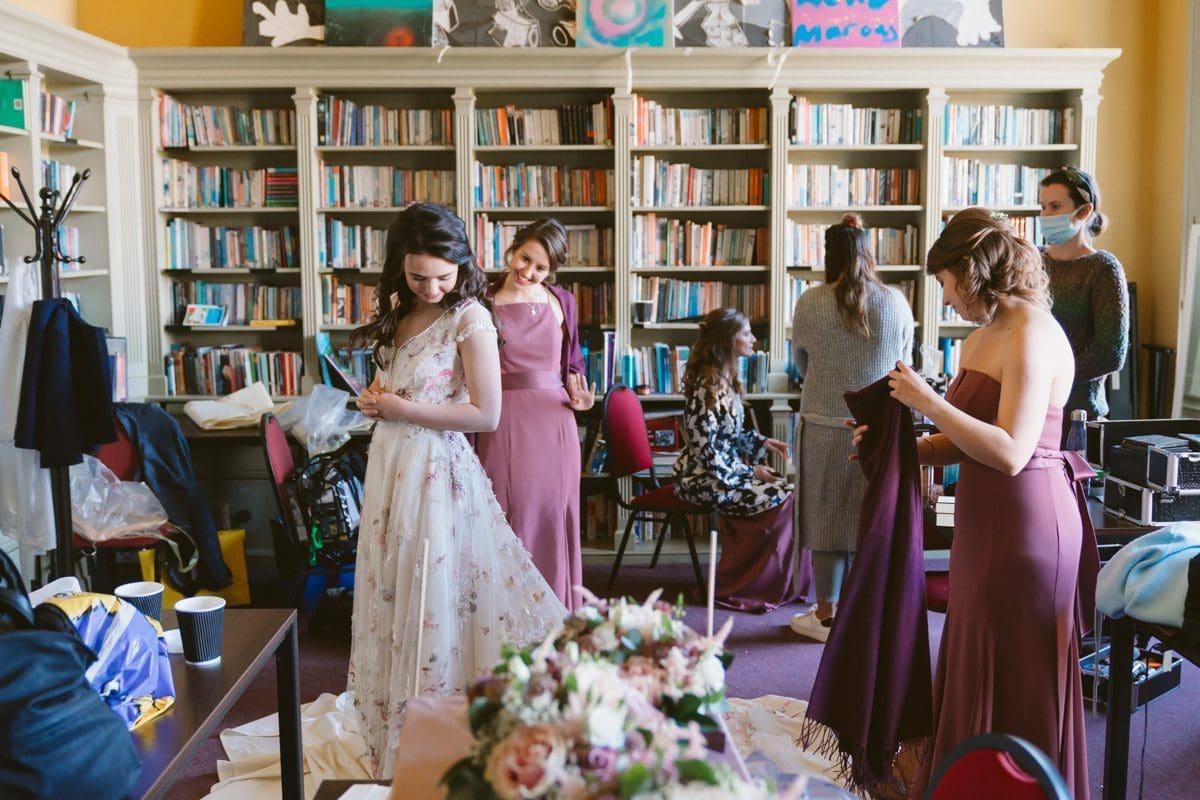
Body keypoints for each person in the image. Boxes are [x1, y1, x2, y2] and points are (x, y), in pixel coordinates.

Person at [857, 208, 1096, 798]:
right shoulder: (982, 336)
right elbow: (966, 438)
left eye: (944, 282)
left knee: (1016, 666)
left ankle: (1017, 785)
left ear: (971, 268)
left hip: (1028, 526)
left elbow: (1012, 451)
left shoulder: (1033, 333)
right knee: (972, 652)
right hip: (984, 522)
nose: (945, 297)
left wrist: (927, 402)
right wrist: (896, 445)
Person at [348, 203, 566, 778]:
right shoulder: (399, 309)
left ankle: (435, 737)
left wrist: (402, 408)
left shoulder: (470, 317)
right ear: (399, 267)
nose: (430, 288)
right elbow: (399, 381)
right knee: (393, 589)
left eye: (442, 276)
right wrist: (376, 396)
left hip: (434, 472)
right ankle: (396, 727)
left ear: (461, 266)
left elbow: (485, 413)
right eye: (417, 276)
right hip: (390, 465)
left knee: (434, 596)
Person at [789, 214, 914, 642]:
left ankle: (826, 614)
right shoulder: (895, 302)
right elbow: (904, 363)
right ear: (868, 252)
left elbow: (802, 363)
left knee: (826, 522)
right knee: (868, 519)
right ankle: (865, 614)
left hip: (823, 424)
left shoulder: (810, 302)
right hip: (876, 427)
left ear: (830, 256)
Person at [475, 218, 594, 611]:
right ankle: (510, 617)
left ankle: (557, 611)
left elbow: (572, 363)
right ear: (512, 249)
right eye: (524, 259)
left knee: (553, 514)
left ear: (552, 271)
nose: (528, 272)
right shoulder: (481, 299)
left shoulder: (563, 301)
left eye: (541, 268)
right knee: (509, 512)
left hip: (556, 421)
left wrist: (581, 397)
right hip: (503, 416)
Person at [673, 307, 807, 612]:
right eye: (746, 333)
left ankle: (766, 580)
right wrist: (751, 472)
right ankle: (742, 583)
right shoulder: (704, 387)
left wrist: (763, 441)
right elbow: (708, 454)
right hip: (699, 477)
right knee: (780, 496)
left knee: (789, 493)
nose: (753, 339)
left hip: (723, 471)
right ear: (726, 339)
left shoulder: (726, 378)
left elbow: (730, 435)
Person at [1039, 166, 1129, 436]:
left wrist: (1050, 378)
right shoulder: (1032, 261)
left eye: (1055, 206)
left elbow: (1110, 353)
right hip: (1029, 410)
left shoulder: (1103, 269)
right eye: (1043, 206)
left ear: (1084, 211)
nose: (1045, 215)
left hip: (1078, 417)